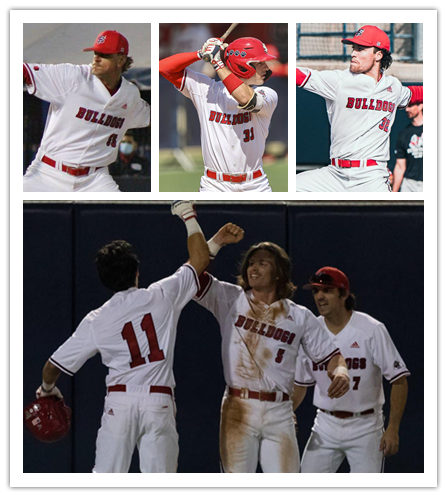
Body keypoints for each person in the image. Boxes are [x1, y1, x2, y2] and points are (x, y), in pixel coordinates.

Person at [34, 201, 209, 472]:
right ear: (136, 272)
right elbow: (199, 259)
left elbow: (52, 367)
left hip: (120, 403)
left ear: (103, 278)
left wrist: (47, 390)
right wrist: (188, 214)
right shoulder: (162, 294)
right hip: (158, 402)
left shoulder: (97, 319)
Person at [194, 229, 350, 472]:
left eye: (262, 263)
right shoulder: (230, 298)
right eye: (251, 264)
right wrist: (216, 243)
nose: (253, 269)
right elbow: (194, 277)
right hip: (238, 406)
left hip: (279, 410)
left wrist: (341, 372)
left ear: (278, 272)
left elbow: (332, 357)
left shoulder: (299, 316)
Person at [294, 266, 410, 473]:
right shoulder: (310, 331)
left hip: (365, 426)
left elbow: (399, 380)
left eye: (327, 290)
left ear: (344, 294)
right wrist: (286, 413)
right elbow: (301, 384)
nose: (319, 296)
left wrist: (393, 428)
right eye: (315, 291)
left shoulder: (371, 329)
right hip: (325, 425)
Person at [295, 25, 423, 192]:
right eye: (354, 48)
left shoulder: (393, 87)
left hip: (371, 176)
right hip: (335, 174)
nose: (353, 53)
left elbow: (415, 93)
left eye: (361, 49)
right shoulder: (339, 80)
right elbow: (300, 76)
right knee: (294, 188)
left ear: (378, 55)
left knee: (385, 216)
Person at [23, 30, 150, 192]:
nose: (96, 58)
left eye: (104, 55)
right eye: (95, 53)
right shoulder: (73, 77)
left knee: (121, 212)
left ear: (121, 60)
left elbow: (150, 118)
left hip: (95, 179)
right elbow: (24, 72)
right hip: (48, 172)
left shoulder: (129, 95)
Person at [159, 36, 278, 192]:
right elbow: (163, 67)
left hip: (255, 184)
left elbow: (246, 98)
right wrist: (200, 54)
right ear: (242, 66)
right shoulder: (207, 89)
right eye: (259, 62)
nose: (266, 67)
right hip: (214, 185)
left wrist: (217, 62)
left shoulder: (267, 94)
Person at [392, 99, 423, 192]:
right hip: (409, 184)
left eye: (410, 106)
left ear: (421, 105)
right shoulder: (404, 134)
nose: (406, 109)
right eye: (406, 106)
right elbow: (400, 166)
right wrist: (394, 193)